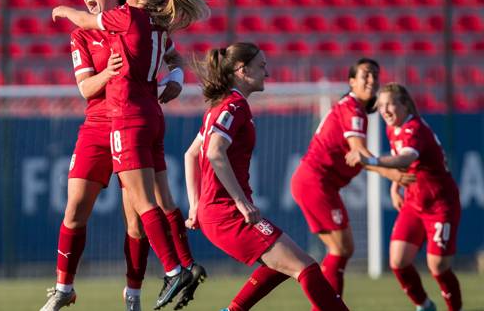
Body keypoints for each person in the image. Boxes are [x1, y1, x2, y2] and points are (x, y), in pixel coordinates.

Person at [42, 0, 204, 311]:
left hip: (129, 118)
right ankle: (64, 288)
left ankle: (138, 292)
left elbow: (172, 54)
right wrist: (107, 74)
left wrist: (176, 75)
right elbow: (85, 88)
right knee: (77, 210)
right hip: (103, 125)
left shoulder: (128, 19)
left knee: (138, 216)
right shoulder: (93, 33)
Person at [183, 42, 350, 311]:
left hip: (216, 213)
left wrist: (195, 207)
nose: (267, 73)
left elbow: (191, 155)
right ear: (241, 69)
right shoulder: (234, 106)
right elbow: (214, 152)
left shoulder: (222, 106)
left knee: (283, 264)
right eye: (261, 66)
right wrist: (239, 202)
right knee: (306, 268)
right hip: (228, 214)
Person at [290, 58, 415, 301]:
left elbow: (358, 157)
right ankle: (327, 306)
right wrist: (391, 174)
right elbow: (360, 153)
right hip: (316, 182)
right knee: (341, 248)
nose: (372, 80)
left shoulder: (352, 109)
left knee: (341, 249)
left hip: (316, 183)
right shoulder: (352, 109)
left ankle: (326, 304)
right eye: (365, 75)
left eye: (375, 75)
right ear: (351, 82)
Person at [346, 83, 462, 311]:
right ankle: (424, 305)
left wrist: (370, 160)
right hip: (413, 201)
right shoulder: (393, 128)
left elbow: (407, 159)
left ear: (405, 104)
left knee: (437, 266)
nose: (385, 110)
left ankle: (455, 308)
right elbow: (404, 164)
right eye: (381, 106)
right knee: (398, 262)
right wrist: (395, 185)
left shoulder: (415, 129)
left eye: (390, 104)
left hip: (440, 204)